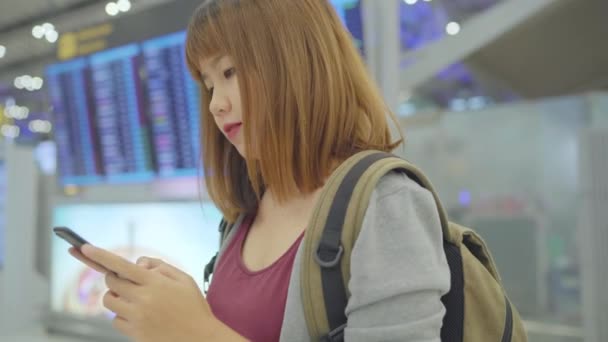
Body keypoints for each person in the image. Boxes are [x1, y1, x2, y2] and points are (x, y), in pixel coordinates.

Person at [70, 0, 451, 341]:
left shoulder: (386, 203)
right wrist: (177, 307)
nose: (216, 104)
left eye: (230, 72)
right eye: (208, 84)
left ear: (297, 60)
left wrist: (197, 331)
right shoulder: (248, 211)